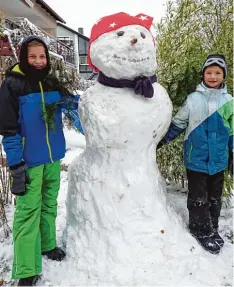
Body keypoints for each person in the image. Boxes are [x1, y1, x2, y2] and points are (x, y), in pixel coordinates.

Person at [0, 36, 83, 286]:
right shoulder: (12, 86)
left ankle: (47, 245)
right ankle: (26, 268)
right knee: (27, 212)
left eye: (42, 56)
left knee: (49, 204)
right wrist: (16, 167)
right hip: (29, 160)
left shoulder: (51, 81)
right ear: (24, 57)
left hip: (53, 157)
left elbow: (73, 106)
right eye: (33, 56)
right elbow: (9, 131)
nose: (38, 61)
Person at [157, 54, 233, 254]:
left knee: (214, 197)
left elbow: (232, 131)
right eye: (209, 72)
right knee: (199, 197)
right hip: (196, 160)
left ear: (224, 76)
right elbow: (179, 123)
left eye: (218, 72)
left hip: (218, 161)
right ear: (203, 74)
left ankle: (212, 228)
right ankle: (200, 230)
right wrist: (162, 140)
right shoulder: (193, 99)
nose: (213, 76)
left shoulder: (229, 101)